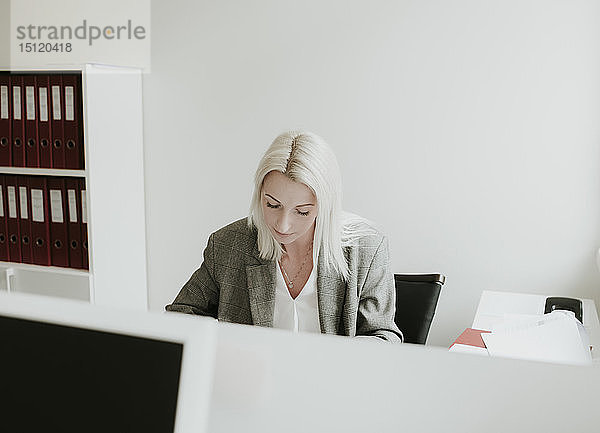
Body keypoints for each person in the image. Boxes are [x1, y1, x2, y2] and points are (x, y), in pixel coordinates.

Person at [166, 131, 402, 342]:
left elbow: (382, 335)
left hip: (333, 383)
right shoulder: (228, 245)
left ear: (326, 206)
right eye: (272, 205)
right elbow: (180, 317)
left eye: (302, 211)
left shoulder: (367, 248)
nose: (283, 225)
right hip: (253, 383)